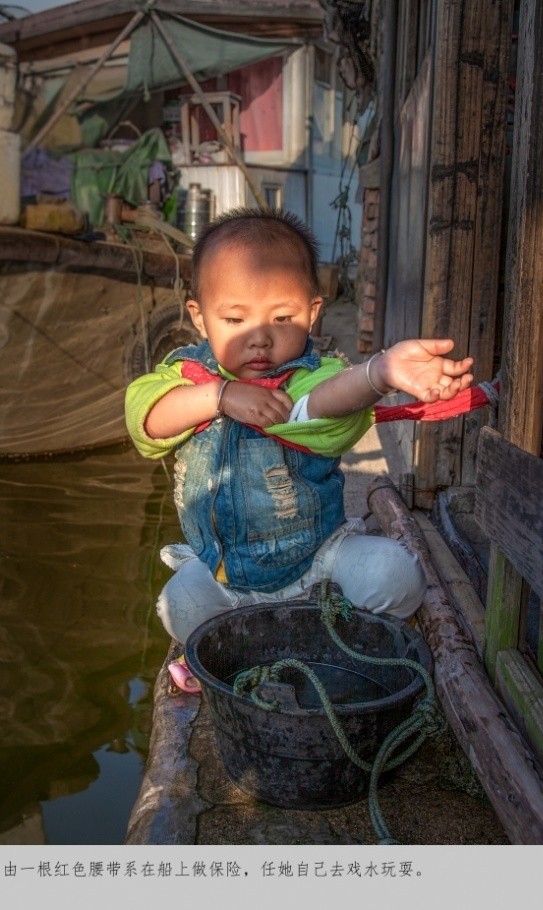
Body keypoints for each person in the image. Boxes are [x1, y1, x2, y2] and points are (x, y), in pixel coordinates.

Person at [125, 208, 474, 692]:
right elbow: (144, 416)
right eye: (233, 319)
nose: (259, 338)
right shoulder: (185, 378)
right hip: (224, 574)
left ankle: (324, 635)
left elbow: (325, 409)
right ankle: (252, 629)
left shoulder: (311, 375)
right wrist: (220, 398)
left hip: (318, 561)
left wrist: (380, 373)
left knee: (398, 576)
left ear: (312, 313)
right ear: (199, 318)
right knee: (175, 607)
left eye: (283, 318)